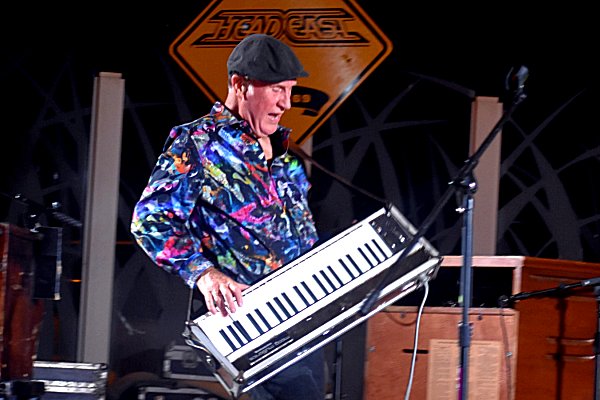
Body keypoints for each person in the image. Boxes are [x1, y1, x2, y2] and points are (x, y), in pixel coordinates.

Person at [130, 34, 325, 400]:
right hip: (251, 325)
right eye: (277, 89)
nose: (286, 102)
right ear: (239, 84)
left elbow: (301, 231)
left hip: (304, 319)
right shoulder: (198, 143)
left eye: (291, 90)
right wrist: (204, 274)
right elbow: (150, 220)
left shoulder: (287, 150)